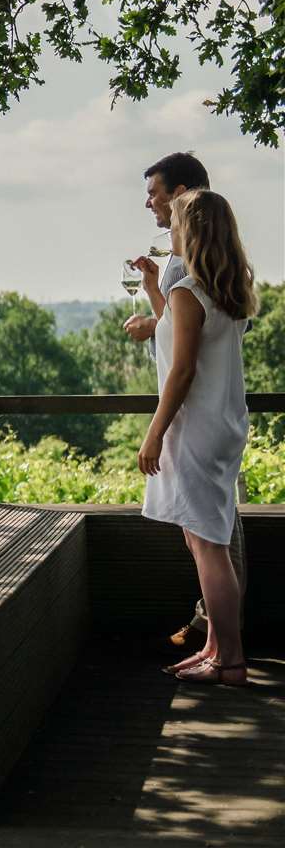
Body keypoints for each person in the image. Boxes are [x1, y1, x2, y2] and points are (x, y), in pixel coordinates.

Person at [132, 189, 257, 685]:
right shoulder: (226, 291)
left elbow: (181, 371)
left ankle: (231, 661)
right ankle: (215, 647)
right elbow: (182, 336)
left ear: (192, 231)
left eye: (177, 222)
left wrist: (154, 433)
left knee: (208, 545)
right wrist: (152, 289)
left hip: (196, 430)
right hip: (223, 425)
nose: (170, 230)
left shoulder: (190, 292)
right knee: (202, 536)